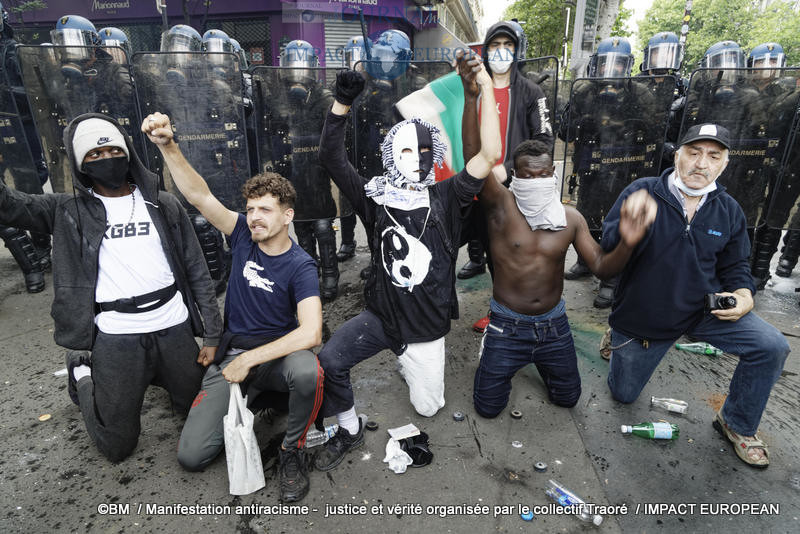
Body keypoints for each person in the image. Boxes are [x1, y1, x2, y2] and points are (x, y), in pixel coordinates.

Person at [0, 113, 223, 462]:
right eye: (94, 156)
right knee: (116, 446)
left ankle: (160, 376)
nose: (106, 160)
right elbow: (10, 207)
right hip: (116, 335)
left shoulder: (162, 204)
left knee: (199, 413)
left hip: (173, 326)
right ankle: (83, 373)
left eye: (113, 151)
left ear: (128, 153)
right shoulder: (66, 210)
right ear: (80, 164)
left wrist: (211, 335)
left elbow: (197, 271)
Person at [312, 60, 501, 470]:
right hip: (382, 318)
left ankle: (409, 363)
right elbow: (330, 157)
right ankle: (348, 426)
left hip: (426, 329)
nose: (417, 159)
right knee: (330, 361)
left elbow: (490, 153)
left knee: (429, 408)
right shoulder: (374, 197)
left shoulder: (449, 196)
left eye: (424, 151)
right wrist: (341, 104)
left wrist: (485, 88)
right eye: (406, 151)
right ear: (390, 156)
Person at [457, 53, 657, 415]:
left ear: (554, 174)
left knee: (568, 399)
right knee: (487, 408)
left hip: (554, 326)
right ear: (515, 177)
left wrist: (629, 240)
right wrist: (472, 97)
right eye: (526, 175)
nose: (535, 181)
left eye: (542, 174)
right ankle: (495, 350)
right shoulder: (501, 207)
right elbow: (474, 156)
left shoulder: (571, 218)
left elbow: (601, 267)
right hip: (506, 324)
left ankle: (542, 360)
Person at [143, 112, 324, 503]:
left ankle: (293, 450)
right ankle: (256, 402)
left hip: (275, 358)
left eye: (265, 210)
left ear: (287, 216)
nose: (254, 217)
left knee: (308, 370)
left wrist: (251, 361)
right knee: (192, 456)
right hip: (232, 356)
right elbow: (199, 195)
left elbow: (311, 333)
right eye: (251, 208)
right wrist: (167, 145)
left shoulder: (301, 265)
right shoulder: (241, 233)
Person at [602, 123, 790, 467]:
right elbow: (607, 252)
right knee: (623, 395)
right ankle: (615, 335)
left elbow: (737, 266)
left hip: (703, 310)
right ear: (678, 156)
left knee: (772, 346)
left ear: (724, 164)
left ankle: (736, 423)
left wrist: (745, 296)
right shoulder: (643, 191)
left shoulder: (729, 209)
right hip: (645, 316)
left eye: (713, 155)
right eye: (694, 152)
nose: (701, 163)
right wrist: (626, 232)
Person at [457, 20, 554, 333]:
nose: (501, 52)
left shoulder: (531, 91)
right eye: (495, 46)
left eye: (507, 46)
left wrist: (510, 167)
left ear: (518, 50)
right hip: (471, 183)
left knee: (508, 253)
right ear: (485, 50)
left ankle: (508, 314)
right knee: (469, 244)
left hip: (509, 190)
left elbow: (545, 141)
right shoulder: (471, 86)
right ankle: (452, 305)